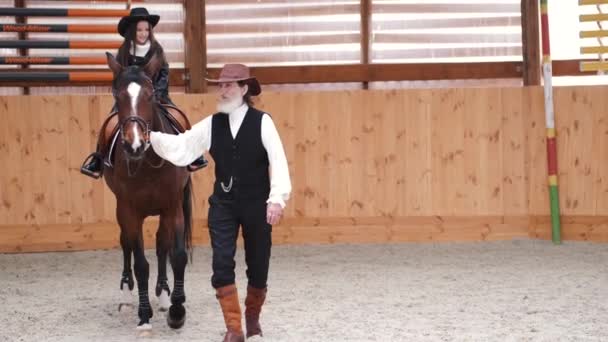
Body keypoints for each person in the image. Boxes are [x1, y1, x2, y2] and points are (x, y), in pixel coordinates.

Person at [149, 64, 291, 342]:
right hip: (223, 204)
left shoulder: (263, 122)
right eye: (221, 85)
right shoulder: (211, 124)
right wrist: (151, 137)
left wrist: (277, 199)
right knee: (222, 263)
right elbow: (183, 146)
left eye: (229, 85)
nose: (222, 90)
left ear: (244, 89)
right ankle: (234, 328)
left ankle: (252, 318)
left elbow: (279, 160)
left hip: (257, 204)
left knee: (259, 265)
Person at [80, 7, 206, 179]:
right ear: (132, 31)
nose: (143, 33)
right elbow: (118, 78)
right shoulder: (123, 52)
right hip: (129, 100)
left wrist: (157, 94)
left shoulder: (156, 50)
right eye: (139, 29)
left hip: (156, 97)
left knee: (179, 118)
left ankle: (193, 155)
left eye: (147, 29)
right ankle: (98, 159)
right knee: (108, 125)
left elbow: (163, 73)